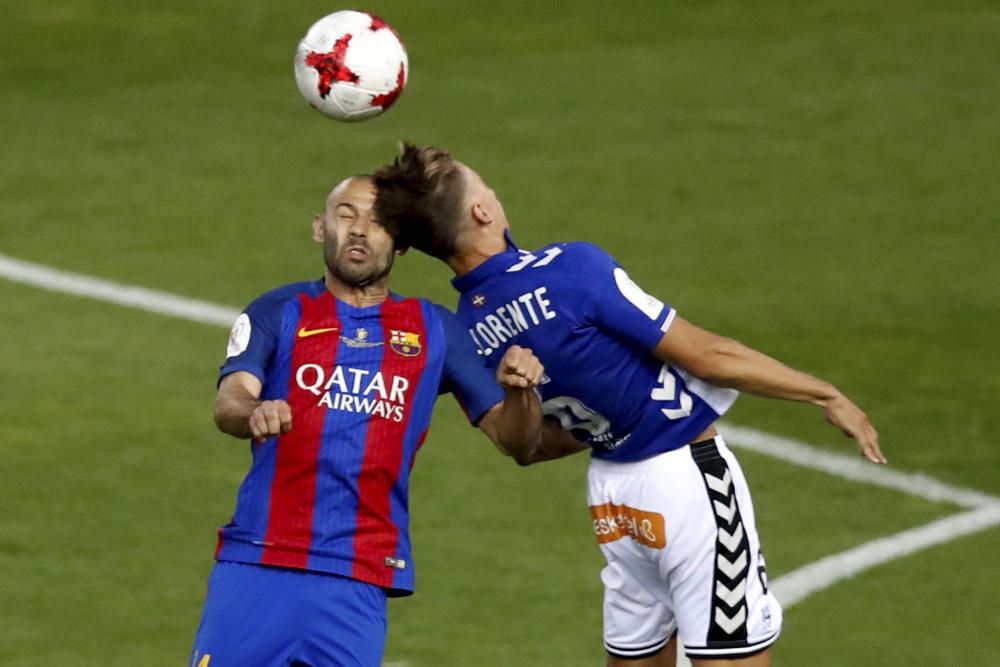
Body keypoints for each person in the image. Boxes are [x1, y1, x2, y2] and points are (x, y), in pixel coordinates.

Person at [373, 144, 886, 667]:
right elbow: (707, 356)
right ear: (482, 212)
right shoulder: (571, 269)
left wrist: (599, 410)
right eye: (486, 188)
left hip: (615, 501)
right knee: (732, 659)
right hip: (686, 482)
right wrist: (823, 392)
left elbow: (530, 447)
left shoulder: (468, 332)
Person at [189, 175, 570, 667]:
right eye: (346, 214)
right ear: (319, 227)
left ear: (401, 241)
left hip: (359, 576)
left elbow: (517, 441)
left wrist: (522, 395)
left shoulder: (435, 330)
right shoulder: (278, 310)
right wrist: (254, 411)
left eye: (379, 220)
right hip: (259, 560)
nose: (360, 230)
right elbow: (230, 401)